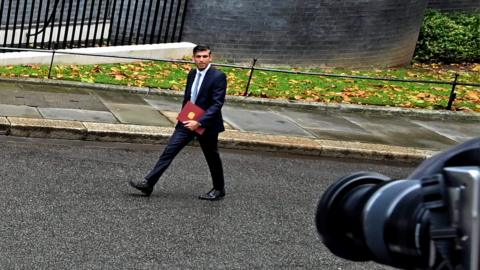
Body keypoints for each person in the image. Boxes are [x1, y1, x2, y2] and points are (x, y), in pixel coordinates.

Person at [129, 45, 227, 201]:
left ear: (210, 57)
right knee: (169, 151)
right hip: (187, 122)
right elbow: (189, 98)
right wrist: (184, 114)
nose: (201, 60)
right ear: (193, 58)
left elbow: (217, 104)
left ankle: (219, 189)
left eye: (204, 56)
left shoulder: (218, 76)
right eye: (198, 57)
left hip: (206, 125)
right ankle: (148, 183)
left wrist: (199, 122)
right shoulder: (192, 74)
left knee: (212, 157)